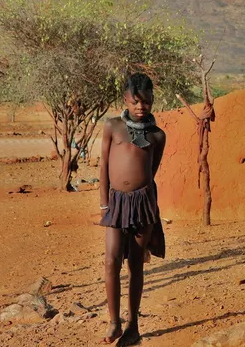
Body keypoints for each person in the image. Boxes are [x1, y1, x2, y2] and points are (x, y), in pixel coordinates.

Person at [99, 73, 166, 345]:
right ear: (125, 99)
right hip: (115, 202)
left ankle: (133, 326)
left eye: (146, 102)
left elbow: (152, 170)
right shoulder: (112, 127)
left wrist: (141, 193)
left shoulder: (157, 135)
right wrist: (104, 202)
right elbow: (103, 165)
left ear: (152, 102)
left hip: (143, 202)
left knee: (136, 263)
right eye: (136, 101)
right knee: (111, 259)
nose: (141, 107)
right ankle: (114, 322)